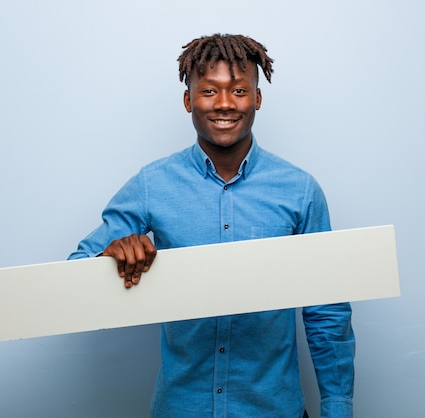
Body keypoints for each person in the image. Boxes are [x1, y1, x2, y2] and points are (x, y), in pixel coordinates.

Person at [69, 33, 355, 418]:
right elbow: (74, 272)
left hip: (274, 409)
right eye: (209, 91)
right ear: (188, 101)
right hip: (181, 408)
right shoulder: (153, 184)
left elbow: (327, 311)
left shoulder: (299, 191)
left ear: (257, 98)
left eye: (239, 90)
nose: (224, 103)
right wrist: (109, 257)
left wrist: (337, 409)